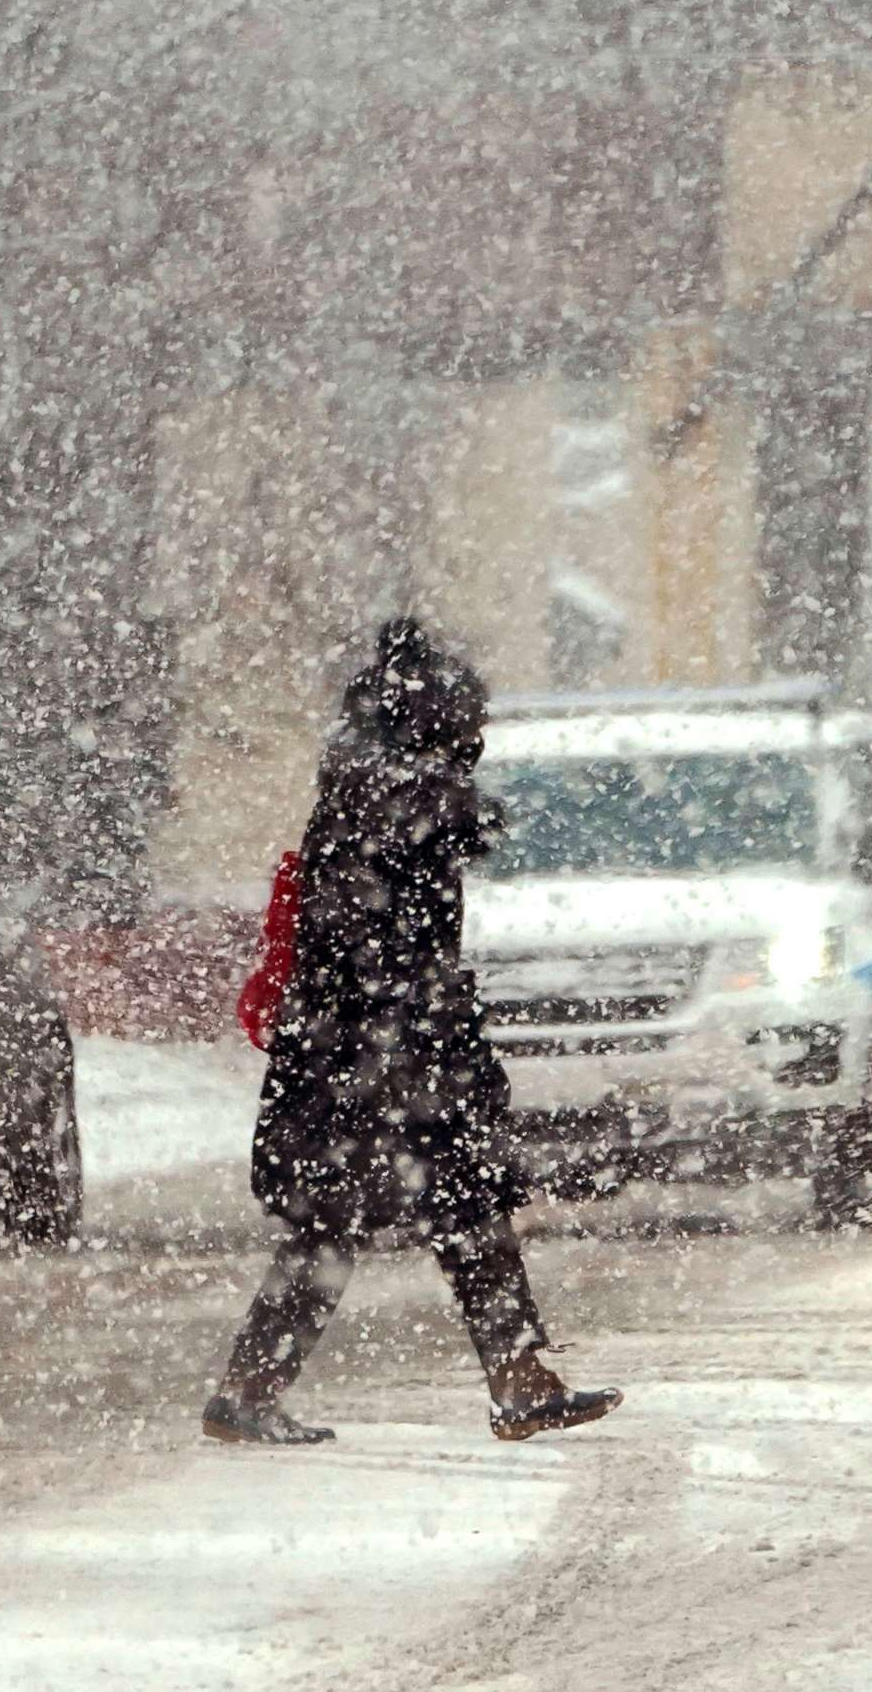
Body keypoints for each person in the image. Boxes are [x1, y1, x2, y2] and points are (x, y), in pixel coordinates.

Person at [204, 620, 622, 1447]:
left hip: (358, 1055)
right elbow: (385, 949)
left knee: (385, 1224)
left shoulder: (361, 791)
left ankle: (514, 1378)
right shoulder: (406, 802)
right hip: (384, 1060)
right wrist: (428, 1042)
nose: (481, 732)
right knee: (418, 1219)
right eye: (473, 715)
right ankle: (509, 1378)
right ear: (437, 717)